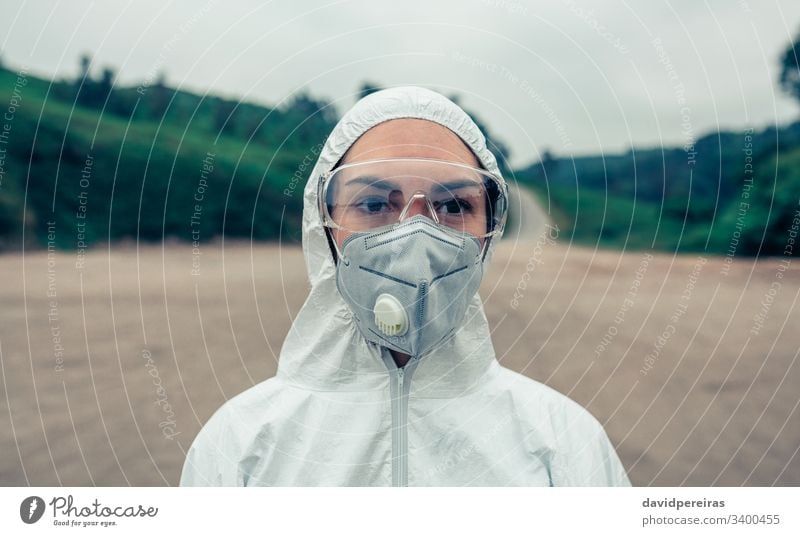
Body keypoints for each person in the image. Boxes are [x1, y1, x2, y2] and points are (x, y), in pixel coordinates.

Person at [180, 86, 631, 486]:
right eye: (374, 202)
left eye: (453, 205)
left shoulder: (565, 443)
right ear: (324, 227)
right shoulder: (239, 445)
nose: (415, 234)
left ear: (489, 229)